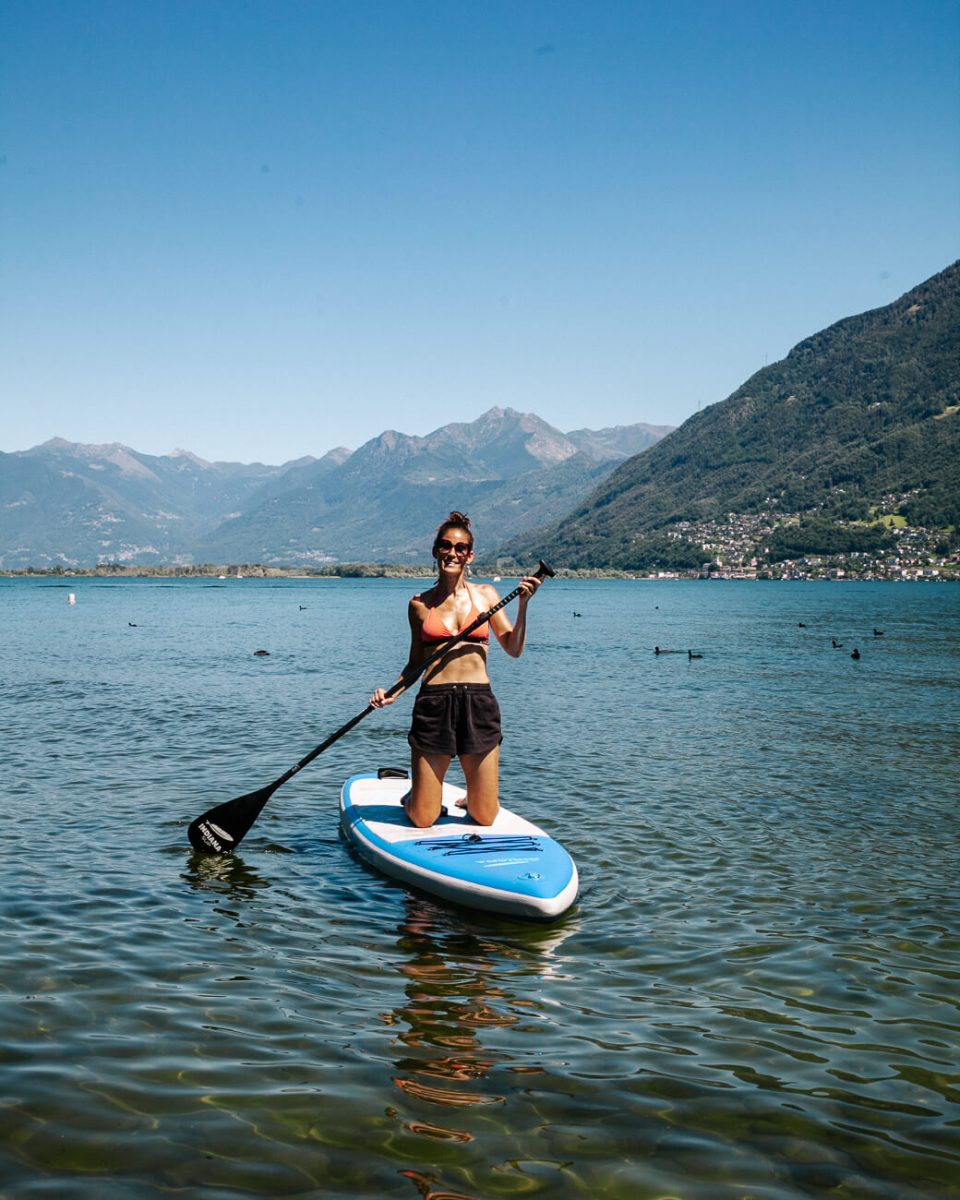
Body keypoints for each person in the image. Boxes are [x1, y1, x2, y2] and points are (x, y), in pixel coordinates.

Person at [370, 511, 542, 828]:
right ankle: (415, 796)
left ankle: (472, 796)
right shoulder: (419, 605)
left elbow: (513, 649)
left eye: (460, 548)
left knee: (485, 816)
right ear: (436, 551)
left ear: (470, 555)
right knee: (422, 818)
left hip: (478, 703)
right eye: (446, 546)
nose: (452, 553)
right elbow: (414, 663)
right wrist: (391, 692)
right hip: (434, 703)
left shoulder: (487, 595)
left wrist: (523, 605)